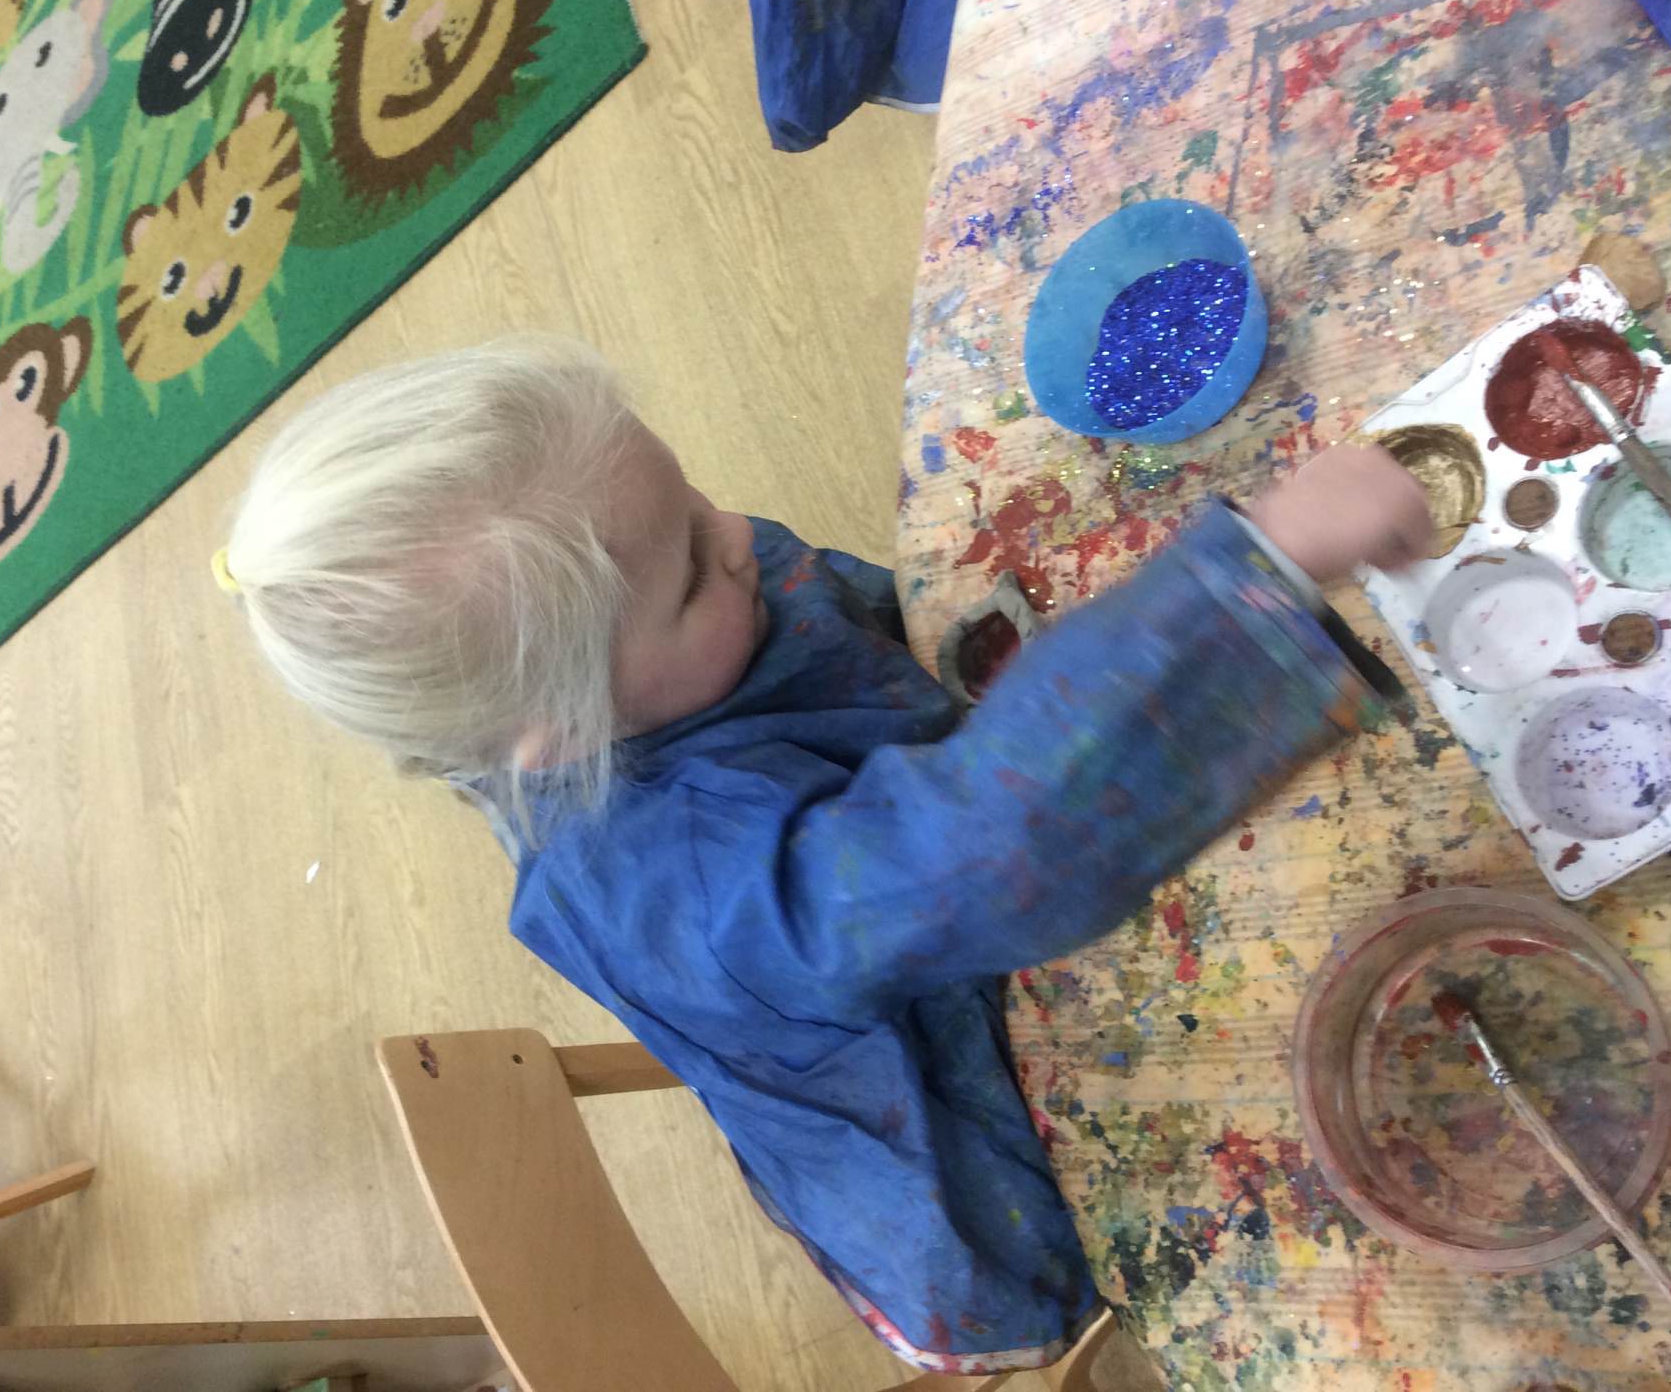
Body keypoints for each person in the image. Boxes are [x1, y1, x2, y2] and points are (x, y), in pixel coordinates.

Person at [217, 337, 1433, 1374]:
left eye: (693, 500)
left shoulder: (639, 629)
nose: (735, 537)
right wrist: (1255, 570)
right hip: (977, 1153)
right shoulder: (692, 893)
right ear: (563, 732)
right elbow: (987, 852)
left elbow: (828, 628)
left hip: (946, 914)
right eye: (690, 570)